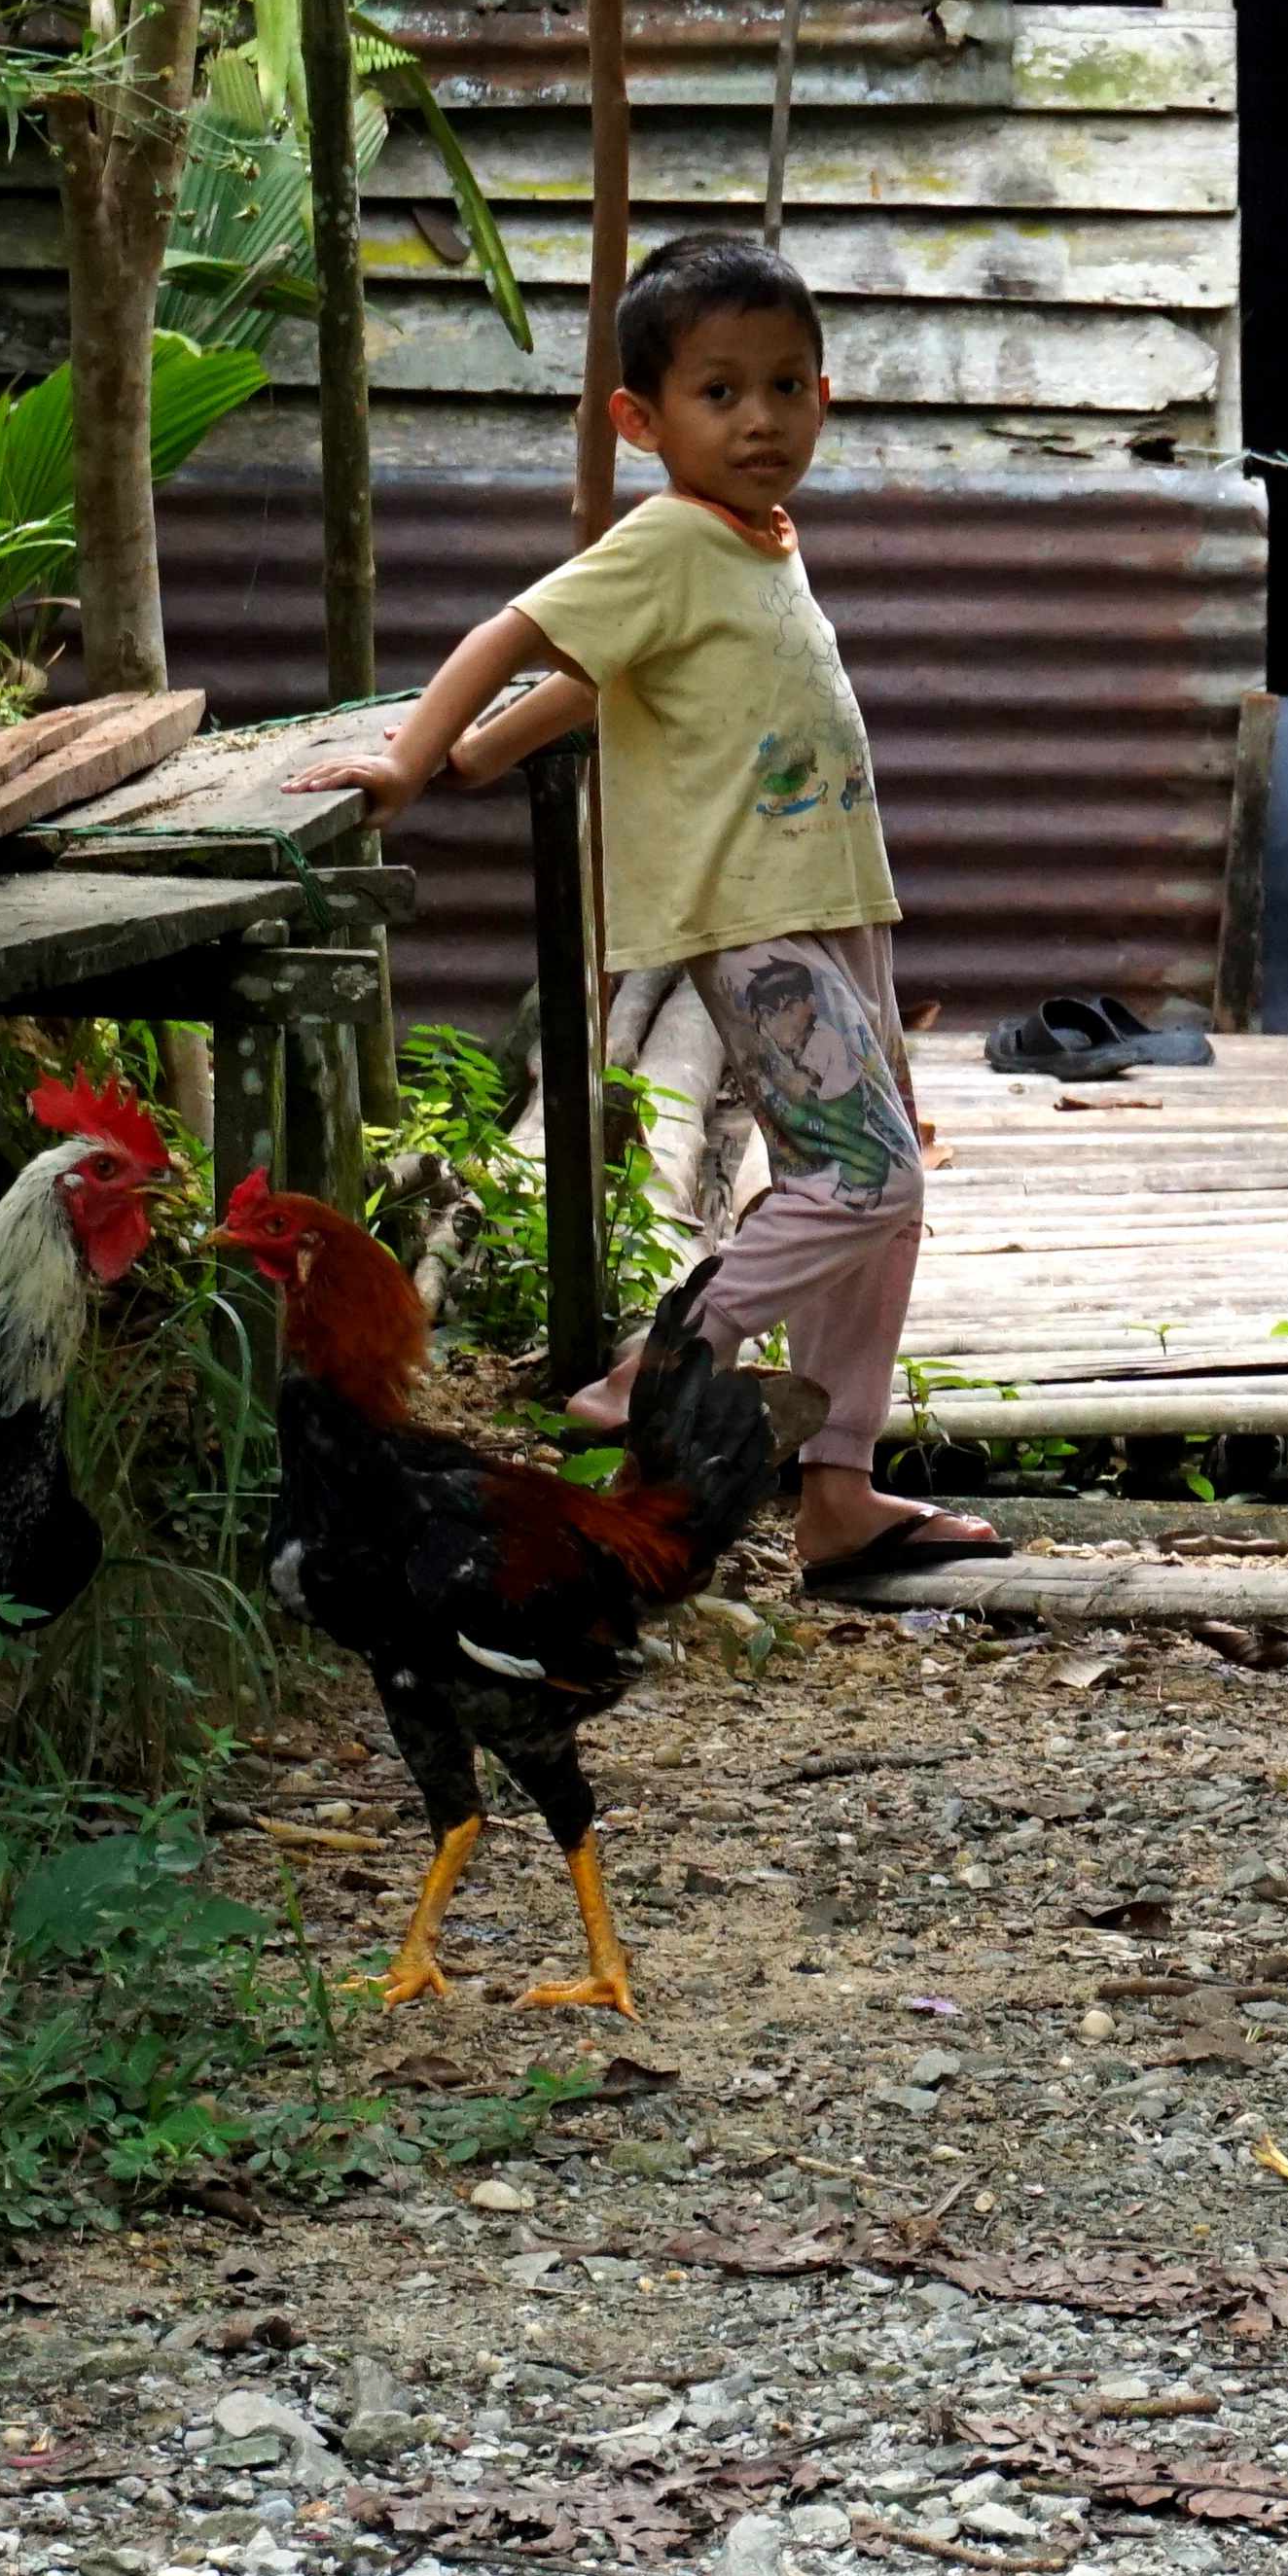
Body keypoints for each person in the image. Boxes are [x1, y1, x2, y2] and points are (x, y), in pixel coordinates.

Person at [291, 236, 1011, 1584]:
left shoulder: (755, 539)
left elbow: (623, 672)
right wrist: (406, 757)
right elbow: (512, 632)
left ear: (825, 395)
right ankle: (668, 1359)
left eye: (787, 384)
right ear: (640, 419)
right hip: (752, 920)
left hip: (834, 905)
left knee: (884, 1196)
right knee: (866, 1176)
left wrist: (498, 749)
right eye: (721, 391)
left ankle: (839, 1489)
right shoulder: (671, 530)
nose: (761, 418)